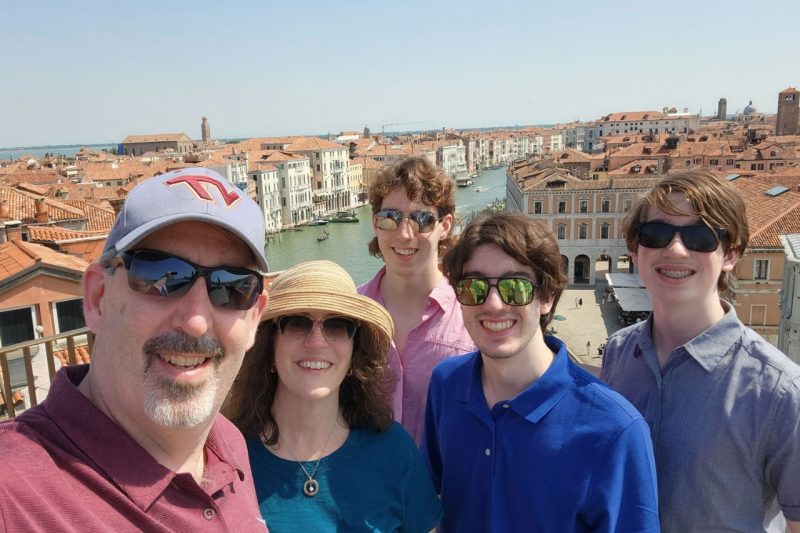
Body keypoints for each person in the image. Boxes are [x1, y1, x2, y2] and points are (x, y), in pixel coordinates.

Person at [0, 168, 270, 531]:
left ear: (254, 317)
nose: (196, 321)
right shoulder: (13, 495)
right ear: (97, 298)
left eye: (232, 287)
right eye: (164, 276)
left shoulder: (227, 443)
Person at [424, 212, 659, 532]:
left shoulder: (616, 429)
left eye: (516, 287)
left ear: (547, 297)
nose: (492, 304)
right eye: (474, 286)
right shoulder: (445, 385)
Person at [601, 171, 800, 532]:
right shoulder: (617, 353)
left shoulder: (780, 391)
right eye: (656, 234)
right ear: (635, 249)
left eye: (700, 237)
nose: (675, 249)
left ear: (731, 254)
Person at [226, 260, 441, 531]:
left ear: (354, 353)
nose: (317, 342)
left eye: (337, 325)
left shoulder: (394, 452)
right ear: (269, 347)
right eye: (297, 323)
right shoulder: (228, 460)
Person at [358, 156, 475, 445]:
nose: (405, 233)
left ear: (445, 225)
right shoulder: (350, 311)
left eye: (422, 219)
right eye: (391, 218)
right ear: (375, 223)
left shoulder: (474, 314)